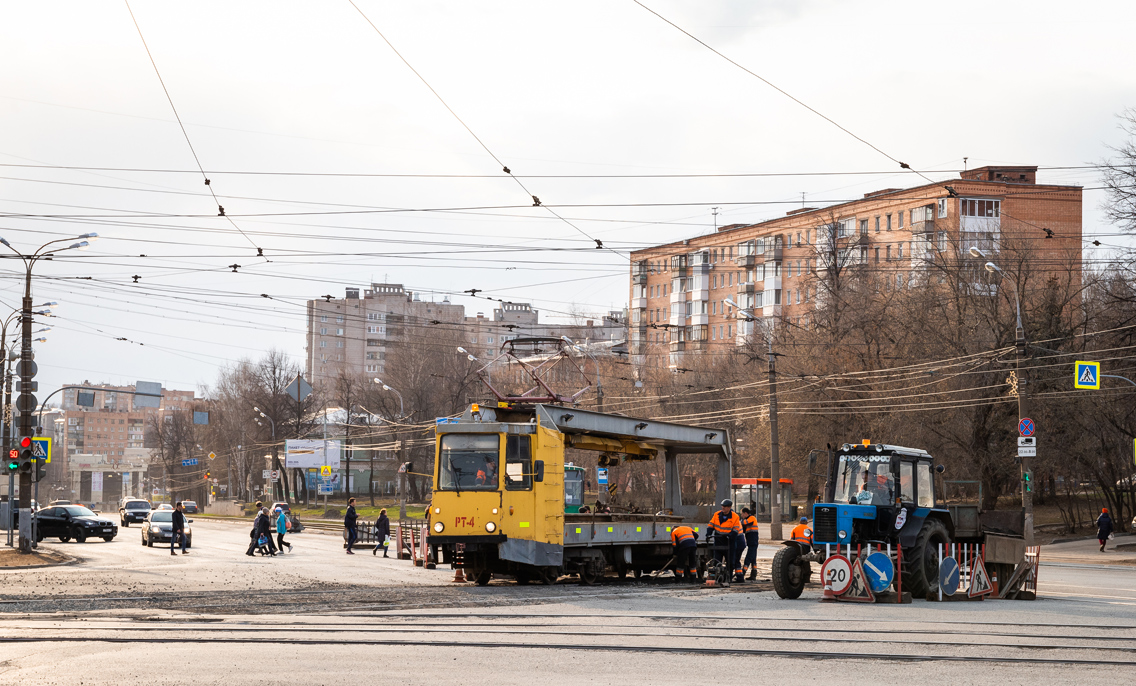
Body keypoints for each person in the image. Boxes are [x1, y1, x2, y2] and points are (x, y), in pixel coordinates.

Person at [709, 499, 743, 582]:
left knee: (730, 561)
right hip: (718, 540)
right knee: (716, 560)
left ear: (729, 507)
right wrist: (708, 533)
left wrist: (730, 536)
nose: (723, 508)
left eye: (725, 506)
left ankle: (729, 577)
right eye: (722, 506)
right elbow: (711, 525)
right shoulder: (716, 514)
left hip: (729, 541)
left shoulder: (735, 516)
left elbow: (735, 529)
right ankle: (717, 577)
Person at [740, 507, 760, 581]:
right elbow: (743, 529)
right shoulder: (748, 519)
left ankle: (743, 572)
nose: (741, 515)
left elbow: (744, 523)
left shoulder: (752, 518)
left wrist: (740, 521)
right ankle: (753, 574)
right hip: (751, 541)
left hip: (753, 541)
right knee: (753, 557)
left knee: (748, 557)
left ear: (745, 513)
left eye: (742, 514)